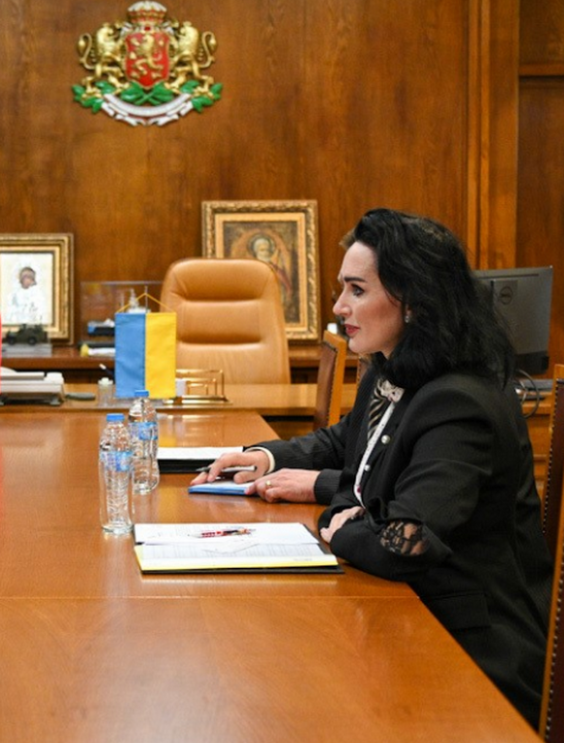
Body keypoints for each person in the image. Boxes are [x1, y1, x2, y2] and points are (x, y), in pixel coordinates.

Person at [196, 208, 552, 727]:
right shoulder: (393, 371)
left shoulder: (459, 402)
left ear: (415, 300)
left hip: (470, 655)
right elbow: (346, 443)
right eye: (343, 288)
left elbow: (406, 540)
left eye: (357, 290)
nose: (339, 306)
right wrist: (267, 457)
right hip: (403, 616)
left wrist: (337, 527)